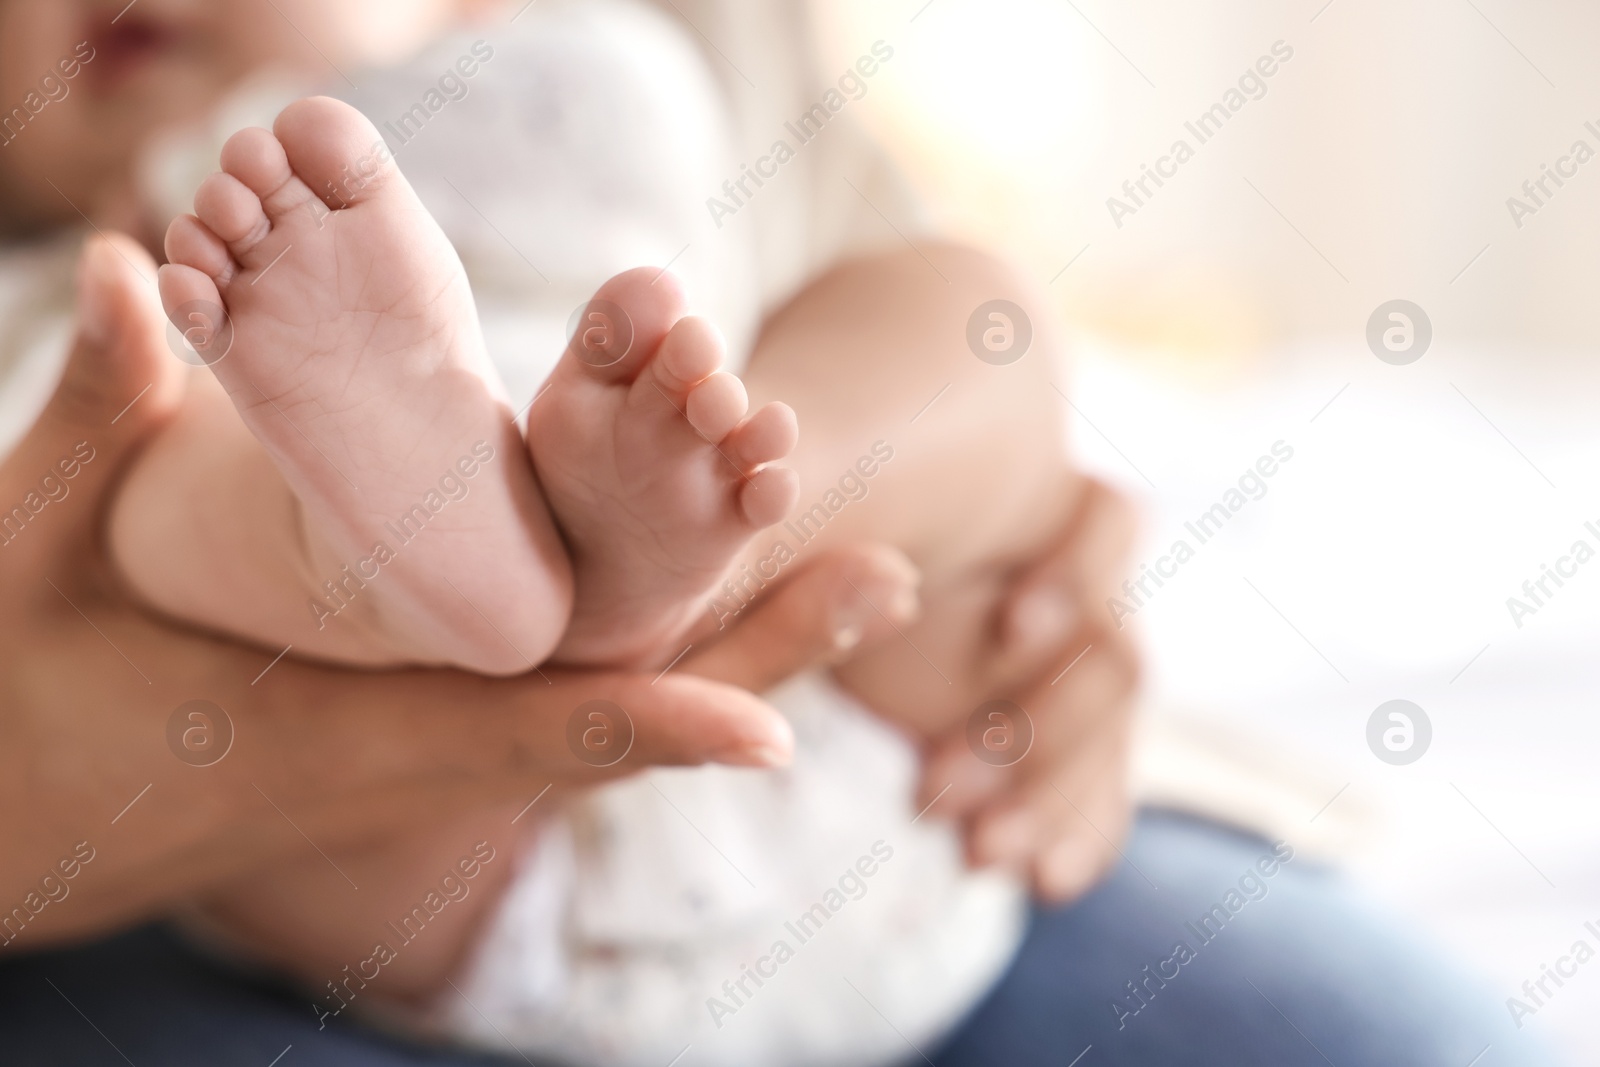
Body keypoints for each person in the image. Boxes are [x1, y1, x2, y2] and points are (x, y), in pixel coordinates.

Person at [0, 1, 1558, 1065]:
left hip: (885, 796)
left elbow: (974, 404)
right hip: (441, 895)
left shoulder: (662, 59)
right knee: (153, 482)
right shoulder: (81, 286)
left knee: (969, 313)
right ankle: (439, 557)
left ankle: (668, 557)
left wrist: (1012, 556)